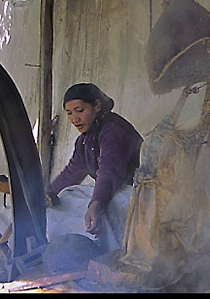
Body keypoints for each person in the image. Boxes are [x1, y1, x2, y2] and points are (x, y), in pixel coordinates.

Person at [45, 83, 143, 235]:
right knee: (66, 197)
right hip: (115, 189)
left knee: (101, 212)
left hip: (136, 195)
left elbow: (109, 172)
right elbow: (72, 172)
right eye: (69, 113)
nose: (74, 119)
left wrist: (96, 204)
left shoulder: (113, 131)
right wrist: (46, 195)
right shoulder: (84, 141)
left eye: (79, 111)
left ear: (97, 106)